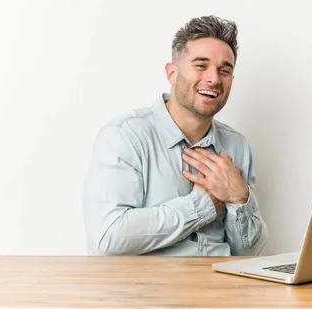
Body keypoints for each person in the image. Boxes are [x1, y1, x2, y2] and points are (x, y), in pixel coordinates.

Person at [82, 15, 268, 256]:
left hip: (224, 289)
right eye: (201, 65)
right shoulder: (125, 137)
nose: (213, 79)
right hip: (152, 291)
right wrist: (205, 204)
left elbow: (247, 253)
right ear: (171, 73)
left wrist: (240, 198)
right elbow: (107, 238)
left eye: (225, 70)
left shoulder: (236, 145)